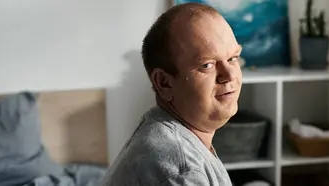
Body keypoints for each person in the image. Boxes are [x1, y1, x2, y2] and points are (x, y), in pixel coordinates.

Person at [101, 2, 242, 186]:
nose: (230, 75)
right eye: (206, 65)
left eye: (233, 58)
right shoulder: (181, 172)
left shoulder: (165, 129)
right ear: (164, 83)